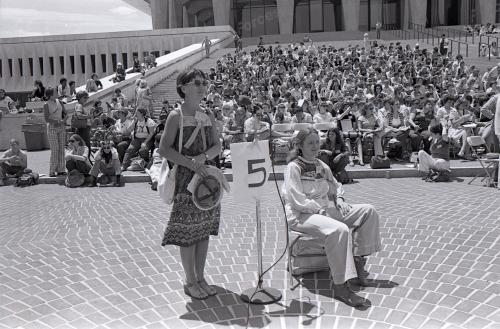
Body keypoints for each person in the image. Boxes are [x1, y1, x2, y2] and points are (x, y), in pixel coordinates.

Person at [283, 128, 382, 307]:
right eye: (310, 143)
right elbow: (297, 199)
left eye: (316, 142)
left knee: (368, 211)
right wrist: (319, 210)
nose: (315, 146)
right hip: (302, 215)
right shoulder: (294, 167)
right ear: (300, 146)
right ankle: (341, 286)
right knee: (339, 229)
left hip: (323, 211)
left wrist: (340, 199)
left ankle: (359, 260)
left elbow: (335, 186)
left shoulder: (321, 165)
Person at [159, 69, 222, 300]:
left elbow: (217, 146)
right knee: (187, 233)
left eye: (204, 83)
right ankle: (190, 280)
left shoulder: (208, 115)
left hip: (205, 179)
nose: (202, 87)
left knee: (203, 231)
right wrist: (191, 163)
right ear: (183, 87)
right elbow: (163, 149)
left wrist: (202, 159)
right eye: (196, 83)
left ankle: (200, 277)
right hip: (186, 181)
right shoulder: (175, 116)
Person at [43, 87, 67, 177]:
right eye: (55, 92)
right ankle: (52, 170)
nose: (57, 93)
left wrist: (64, 120)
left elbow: (65, 113)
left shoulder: (60, 102)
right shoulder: (46, 104)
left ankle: (61, 169)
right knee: (55, 149)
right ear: (50, 94)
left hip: (61, 126)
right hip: (52, 127)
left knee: (61, 148)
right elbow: (46, 118)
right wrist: (57, 122)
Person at [73, 91, 92, 157]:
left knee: (83, 146)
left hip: (82, 129)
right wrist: (88, 116)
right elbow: (79, 115)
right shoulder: (79, 106)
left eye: (87, 97)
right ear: (79, 98)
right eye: (84, 97)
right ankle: (87, 162)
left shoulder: (79, 105)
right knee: (86, 146)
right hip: (83, 129)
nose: (86, 99)